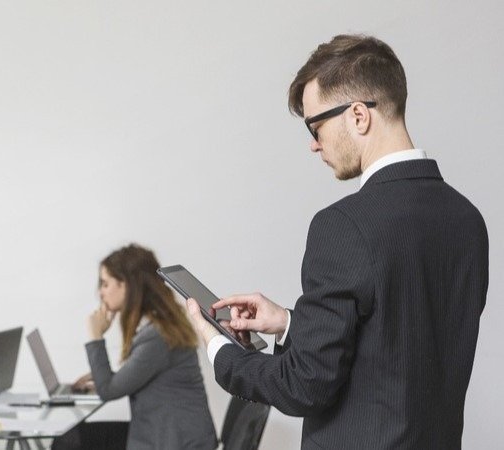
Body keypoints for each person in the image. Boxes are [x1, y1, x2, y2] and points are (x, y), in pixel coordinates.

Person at [186, 34, 489, 449]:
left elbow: (303, 385)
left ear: (359, 116)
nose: (314, 144)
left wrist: (219, 349)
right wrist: (291, 324)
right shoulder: (467, 218)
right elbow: (394, 346)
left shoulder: (343, 224)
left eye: (316, 127)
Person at [80, 244, 217, 450]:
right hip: (168, 436)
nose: (101, 293)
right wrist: (104, 376)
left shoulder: (157, 337)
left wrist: (95, 336)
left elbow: (108, 391)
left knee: (72, 441)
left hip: (174, 443)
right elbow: (132, 379)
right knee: (76, 438)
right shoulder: (160, 326)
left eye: (105, 284)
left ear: (126, 285)